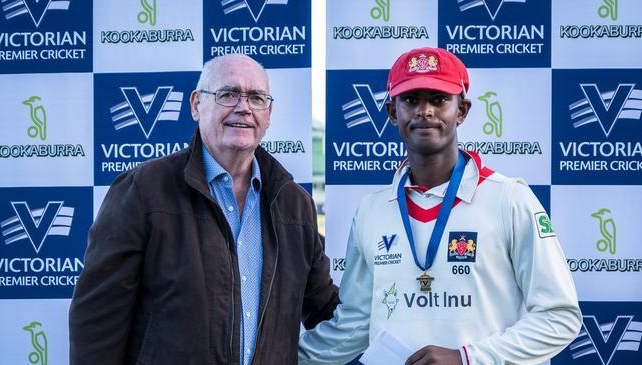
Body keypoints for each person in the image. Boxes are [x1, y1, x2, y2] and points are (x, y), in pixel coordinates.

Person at [298, 47, 581, 365]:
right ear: (393, 112)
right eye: (411, 100)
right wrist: (272, 355)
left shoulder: (509, 199)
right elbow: (354, 326)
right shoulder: (371, 211)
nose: (425, 111)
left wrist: (467, 358)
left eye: (438, 99)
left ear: (462, 111)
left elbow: (559, 317)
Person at [69, 54, 339, 364]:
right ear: (197, 104)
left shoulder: (294, 204)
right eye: (228, 94)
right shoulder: (142, 191)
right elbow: (97, 323)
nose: (244, 108)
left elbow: (325, 308)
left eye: (256, 97)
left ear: (269, 113)